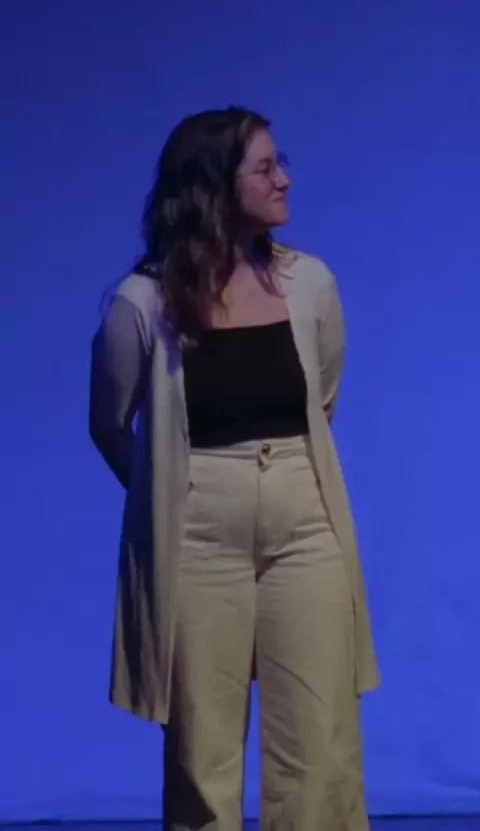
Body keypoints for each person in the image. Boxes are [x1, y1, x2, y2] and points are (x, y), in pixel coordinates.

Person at [89, 106, 379, 831]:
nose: (285, 180)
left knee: (322, 742)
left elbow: (323, 395)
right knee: (203, 747)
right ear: (216, 187)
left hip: (304, 525)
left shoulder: (309, 283)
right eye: (266, 168)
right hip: (198, 540)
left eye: (282, 164)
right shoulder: (143, 302)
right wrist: (168, 494)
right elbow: (110, 424)